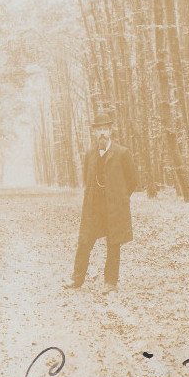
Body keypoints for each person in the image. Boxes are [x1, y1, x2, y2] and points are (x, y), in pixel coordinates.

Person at [65, 111, 137, 294]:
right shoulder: (89, 155)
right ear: (94, 133)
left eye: (106, 129)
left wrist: (119, 198)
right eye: (99, 130)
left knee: (114, 244)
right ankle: (76, 278)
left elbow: (132, 181)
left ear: (111, 131)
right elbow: (86, 179)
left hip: (114, 208)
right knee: (84, 241)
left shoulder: (122, 153)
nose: (103, 133)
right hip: (94, 207)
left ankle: (110, 282)